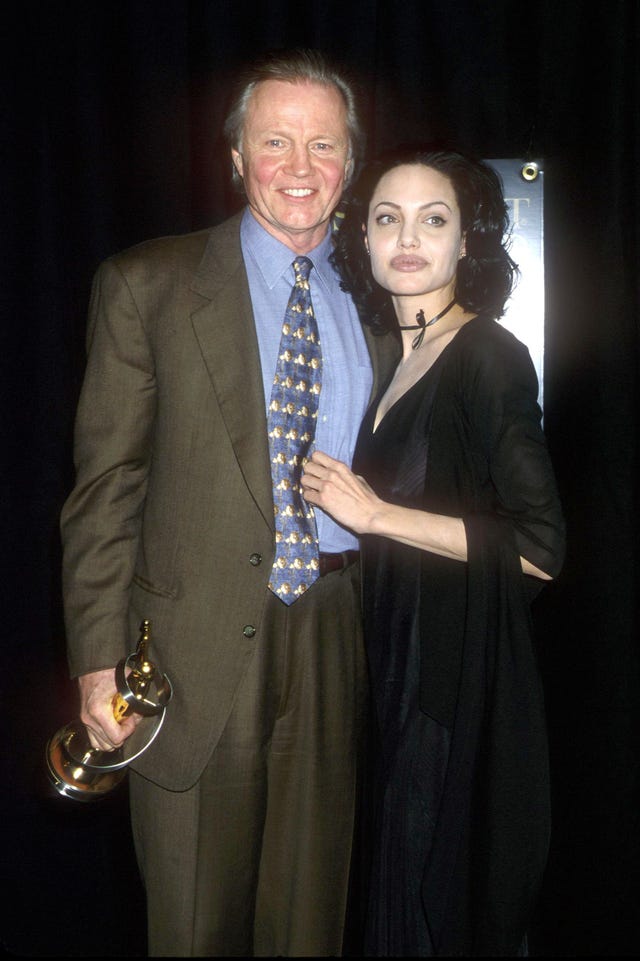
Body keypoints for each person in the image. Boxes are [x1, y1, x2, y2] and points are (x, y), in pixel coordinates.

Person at [59, 49, 398, 957]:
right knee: (195, 926)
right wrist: (96, 661)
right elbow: (105, 490)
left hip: (336, 634)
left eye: (323, 144)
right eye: (275, 141)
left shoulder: (382, 301)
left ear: (351, 164)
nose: (300, 165)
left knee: (310, 922)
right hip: (184, 652)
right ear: (238, 157)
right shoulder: (147, 284)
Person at [301, 146, 566, 956]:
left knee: (434, 903)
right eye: (388, 218)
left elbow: (540, 546)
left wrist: (378, 514)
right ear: (364, 238)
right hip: (394, 662)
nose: (408, 238)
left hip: (445, 680)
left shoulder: (488, 355)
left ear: (466, 242)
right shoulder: (400, 353)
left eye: (434, 219)